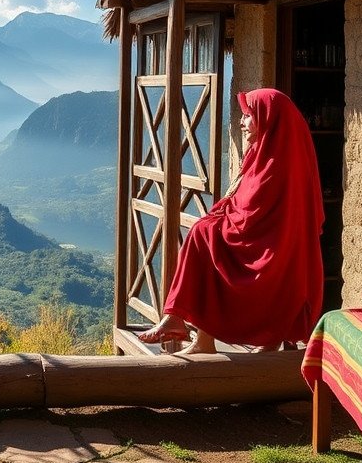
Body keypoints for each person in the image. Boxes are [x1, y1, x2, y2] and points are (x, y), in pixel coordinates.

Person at [136, 87, 325, 354]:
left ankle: (200, 337)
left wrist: (220, 219)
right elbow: (245, 207)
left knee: (204, 236)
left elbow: (249, 215)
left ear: (268, 118)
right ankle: (194, 330)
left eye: (249, 115)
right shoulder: (268, 151)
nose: (241, 121)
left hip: (272, 251)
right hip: (273, 246)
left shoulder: (275, 163)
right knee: (205, 232)